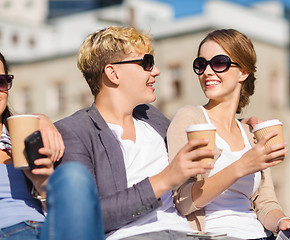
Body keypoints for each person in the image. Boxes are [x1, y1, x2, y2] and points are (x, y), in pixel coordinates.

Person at [54, 26, 216, 240]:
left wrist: (244, 125)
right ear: (113, 73)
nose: (156, 71)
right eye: (147, 63)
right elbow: (87, 215)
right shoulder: (75, 131)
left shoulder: (152, 117)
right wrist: (164, 180)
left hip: (190, 233)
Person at [167, 29, 290, 240]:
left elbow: (265, 203)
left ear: (243, 71)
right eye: (201, 65)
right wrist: (240, 167)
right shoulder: (190, 119)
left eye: (219, 62)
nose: (207, 72)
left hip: (258, 235)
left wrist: (281, 222)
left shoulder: (250, 133)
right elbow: (182, 200)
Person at [0, 52, 104, 240]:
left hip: (46, 229)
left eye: (0, 82)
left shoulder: (23, 134)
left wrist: (42, 186)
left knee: (74, 174)